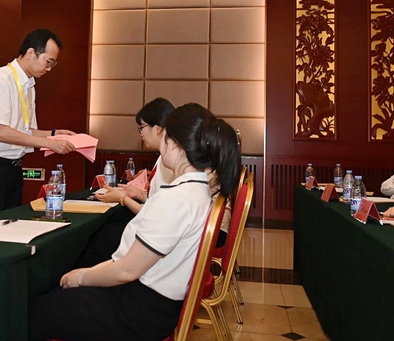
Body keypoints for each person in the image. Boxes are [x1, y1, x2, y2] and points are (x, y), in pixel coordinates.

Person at [29, 103, 241, 341]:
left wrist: (79, 277)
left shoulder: (177, 198)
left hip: (139, 312)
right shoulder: (198, 190)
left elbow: (127, 270)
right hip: (154, 305)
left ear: (175, 144)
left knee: (37, 311)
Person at [0, 28, 76, 214]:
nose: (49, 68)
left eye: (53, 64)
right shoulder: (1, 79)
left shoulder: (29, 86)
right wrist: (48, 144)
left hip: (13, 168)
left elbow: (25, 131)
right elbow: (2, 133)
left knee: (10, 226)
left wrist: (54, 134)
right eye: (48, 61)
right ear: (31, 53)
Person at [95, 98, 175, 214]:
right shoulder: (163, 156)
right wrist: (139, 194)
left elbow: (156, 214)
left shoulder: (170, 161)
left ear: (158, 129)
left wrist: (123, 198)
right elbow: (156, 201)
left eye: (142, 127)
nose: (141, 134)